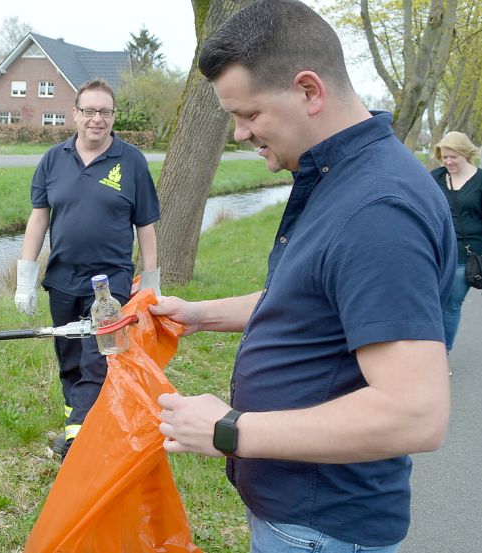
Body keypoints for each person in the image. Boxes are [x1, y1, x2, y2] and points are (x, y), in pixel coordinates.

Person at [147, 1, 456, 550]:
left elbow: (415, 414)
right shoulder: (341, 177)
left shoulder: (377, 210)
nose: (240, 134)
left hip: (322, 527)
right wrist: (198, 316)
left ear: (309, 90)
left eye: (249, 114)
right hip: (302, 517)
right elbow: (311, 298)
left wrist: (228, 430)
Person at [15, 79, 161, 460]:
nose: (97, 119)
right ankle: (80, 426)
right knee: (70, 360)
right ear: (76, 114)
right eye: (90, 111)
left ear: (114, 117)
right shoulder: (52, 159)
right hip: (62, 280)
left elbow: (145, 226)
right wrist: (24, 279)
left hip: (109, 285)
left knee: (99, 361)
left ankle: (78, 448)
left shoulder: (131, 162)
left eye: (106, 112)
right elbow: (38, 219)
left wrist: (151, 283)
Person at [431, 131, 482, 353]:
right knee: (428, 304)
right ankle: (423, 351)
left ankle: (441, 354)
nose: (448, 161)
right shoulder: (435, 177)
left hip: (466, 255)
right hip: (435, 251)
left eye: (453, 156)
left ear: (466, 154)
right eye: (444, 156)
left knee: (450, 305)